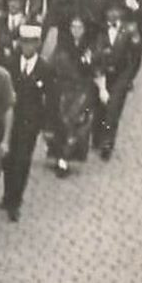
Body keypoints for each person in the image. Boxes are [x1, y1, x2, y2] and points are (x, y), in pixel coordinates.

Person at [0, 24, 59, 221]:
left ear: (38, 44)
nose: (26, 47)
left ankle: (16, 202)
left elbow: (51, 99)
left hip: (30, 123)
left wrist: (48, 126)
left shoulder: (45, 68)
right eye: (23, 42)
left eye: (31, 43)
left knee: (22, 161)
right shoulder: (11, 63)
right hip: (11, 120)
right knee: (8, 160)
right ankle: (7, 195)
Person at [45, 12, 97, 176]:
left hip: (81, 90)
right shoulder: (62, 46)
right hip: (63, 89)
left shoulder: (89, 47)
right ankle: (61, 157)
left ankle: (66, 158)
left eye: (79, 27)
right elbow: (51, 66)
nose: (76, 30)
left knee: (75, 124)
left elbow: (94, 69)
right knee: (61, 124)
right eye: (73, 26)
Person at [90, 0, 140, 162]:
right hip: (102, 74)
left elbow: (136, 56)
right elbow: (94, 52)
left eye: (115, 11)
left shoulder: (130, 30)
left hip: (121, 74)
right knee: (100, 106)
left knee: (113, 108)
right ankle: (97, 137)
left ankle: (107, 142)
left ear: (121, 13)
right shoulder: (99, 31)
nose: (112, 14)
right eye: (109, 11)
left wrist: (129, 77)